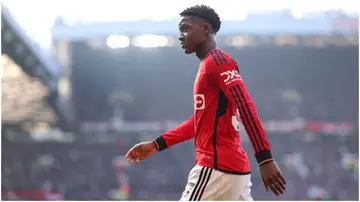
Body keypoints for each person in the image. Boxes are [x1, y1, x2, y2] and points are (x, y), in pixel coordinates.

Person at [125, 5, 286, 201]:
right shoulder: (207, 66)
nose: (180, 36)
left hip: (216, 169)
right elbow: (199, 121)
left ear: (205, 29)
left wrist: (264, 157)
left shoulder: (218, 62)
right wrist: (156, 145)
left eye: (185, 28)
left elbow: (245, 105)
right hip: (231, 170)